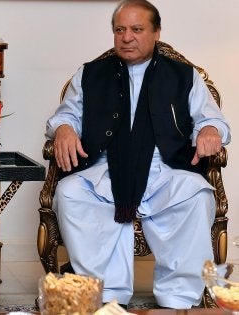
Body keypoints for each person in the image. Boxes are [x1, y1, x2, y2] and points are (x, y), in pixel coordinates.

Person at [46, 0, 230, 309]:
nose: (127, 37)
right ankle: (106, 295)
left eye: (137, 29)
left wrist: (210, 131)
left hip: (165, 167)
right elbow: (66, 116)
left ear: (157, 32)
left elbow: (212, 120)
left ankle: (178, 297)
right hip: (105, 166)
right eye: (120, 30)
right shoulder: (91, 74)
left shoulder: (184, 75)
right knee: (69, 192)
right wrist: (63, 128)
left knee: (197, 196)